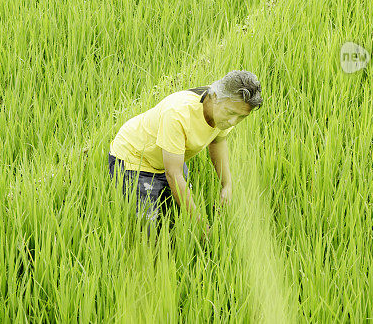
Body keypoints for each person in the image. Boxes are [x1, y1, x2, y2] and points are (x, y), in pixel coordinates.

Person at [107, 70, 263, 236]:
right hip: (135, 159)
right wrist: (201, 225)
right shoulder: (178, 113)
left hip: (170, 157)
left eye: (241, 117)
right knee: (148, 230)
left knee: (176, 218)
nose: (233, 121)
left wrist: (227, 184)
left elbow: (218, 141)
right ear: (215, 96)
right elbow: (173, 174)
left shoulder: (228, 109)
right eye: (231, 113)